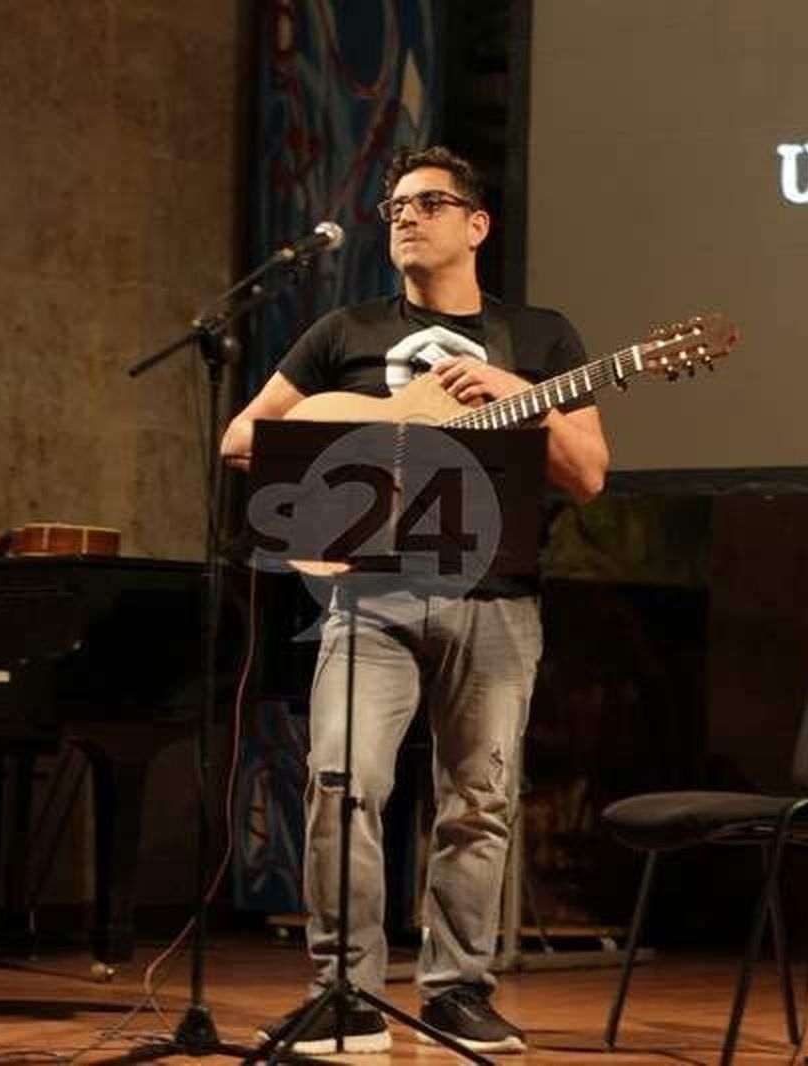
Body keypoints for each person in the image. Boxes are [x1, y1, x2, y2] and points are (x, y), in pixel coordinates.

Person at [221, 145, 609, 1055]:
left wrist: (522, 398)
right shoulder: (343, 332)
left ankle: (456, 993)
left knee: (478, 800)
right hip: (369, 598)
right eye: (395, 206)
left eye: (429, 203)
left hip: (498, 597)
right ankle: (345, 994)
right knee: (339, 782)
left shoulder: (542, 339)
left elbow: (588, 474)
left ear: (476, 226)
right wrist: (386, 424)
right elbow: (246, 437)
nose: (404, 216)